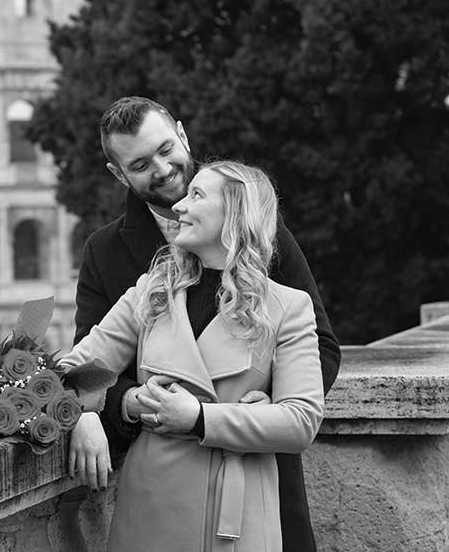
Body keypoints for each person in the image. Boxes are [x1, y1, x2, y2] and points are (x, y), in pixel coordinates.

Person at [71, 96, 341, 551]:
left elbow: (320, 358)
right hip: (157, 500)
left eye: (164, 149)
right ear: (119, 175)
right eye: (140, 163)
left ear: (181, 134)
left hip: (253, 487)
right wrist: (90, 412)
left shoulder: (274, 261)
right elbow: (80, 369)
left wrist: (237, 413)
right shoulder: (132, 274)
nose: (163, 170)